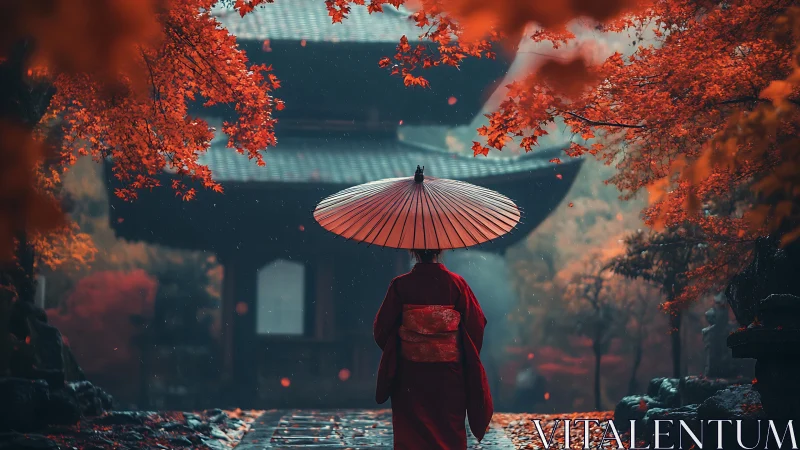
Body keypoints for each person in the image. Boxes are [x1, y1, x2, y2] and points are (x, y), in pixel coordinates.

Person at [373, 249, 493, 449]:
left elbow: (381, 329)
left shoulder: (400, 285)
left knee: (411, 432)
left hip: (410, 373)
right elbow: (476, 324)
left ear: (413, 252)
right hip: (448, 373)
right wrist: (456, 350)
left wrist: (408, 344)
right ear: (441, 251)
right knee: (448, 427)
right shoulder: (456, 284)